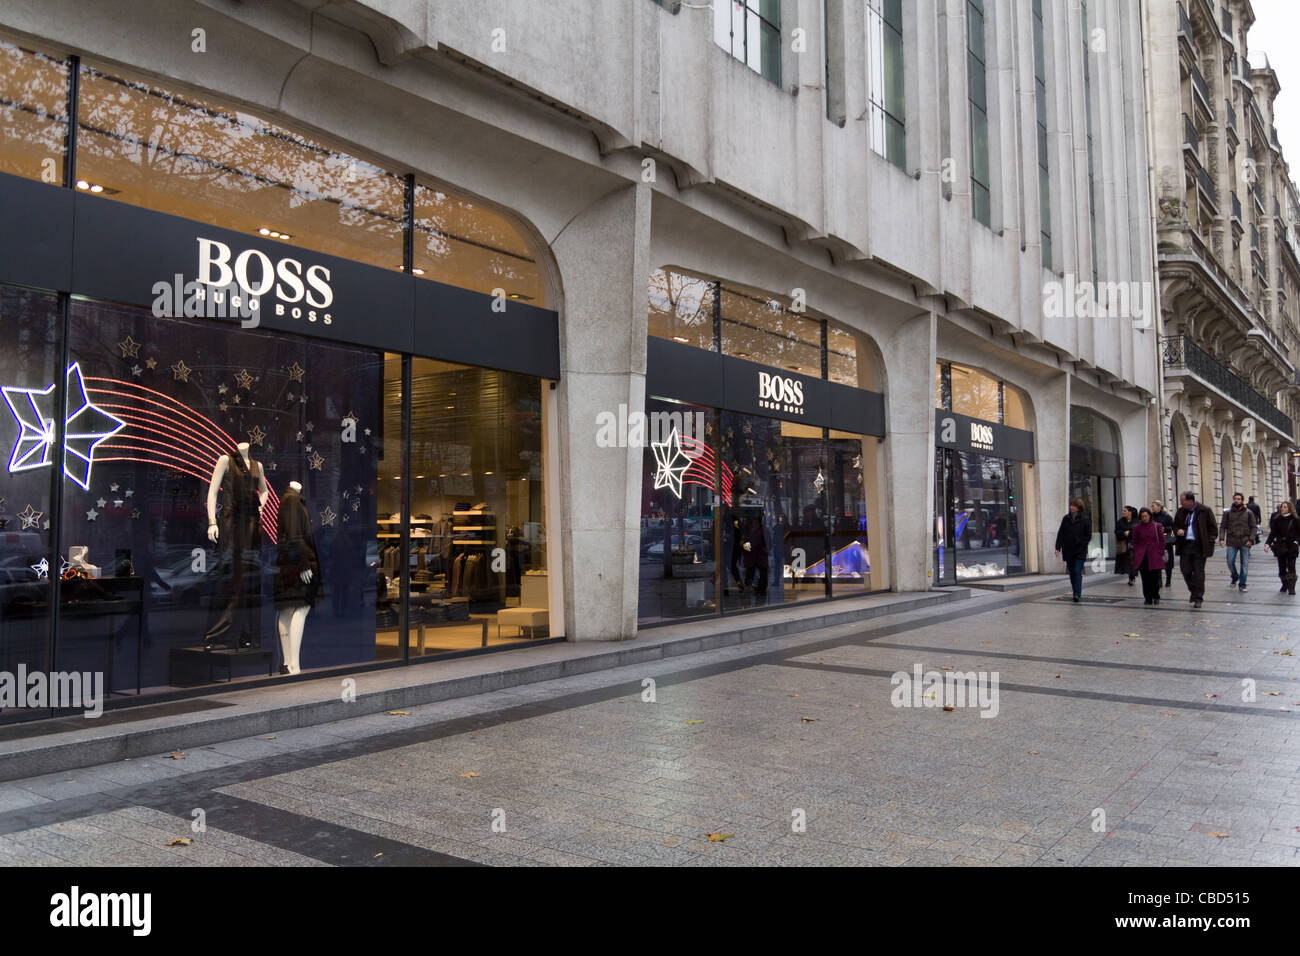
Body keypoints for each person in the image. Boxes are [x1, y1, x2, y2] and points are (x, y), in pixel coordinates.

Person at [1172, 491, 1218, 609]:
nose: (1181, 504)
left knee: (1198, 573)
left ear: (1190, 501)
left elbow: (1213, 528)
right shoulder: (1181, 511)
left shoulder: (1204, 510)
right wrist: (1178, 531)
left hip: (1199, 546)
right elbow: (1174, 526)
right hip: (1185, 545)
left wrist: (1210, 541)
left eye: (1183, 501)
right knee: (1185, 570)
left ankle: (1198, 598)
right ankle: (1193, 590)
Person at [1218, 492, 1258, 593]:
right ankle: (1235, 576)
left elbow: (1254, 527)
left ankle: (1242, 584)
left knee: (1244, 565)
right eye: (1235, 498)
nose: (1236, 500)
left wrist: (1251, 539)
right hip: (1232, 541)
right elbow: (1222, 526)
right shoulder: (1227, 513)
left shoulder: (1249, 512)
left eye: (1239, 499)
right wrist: (1221, 538)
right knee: (1230, 561)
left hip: (1245, 541)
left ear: (1242, 500)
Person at [1054, 498, 1091, 602]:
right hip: (1068, 550)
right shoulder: (1066, 518)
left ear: (1079, 508)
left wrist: (1082, 543)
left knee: (1077, 571)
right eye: (1071, 505)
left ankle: (1077, 594)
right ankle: (1075, 592)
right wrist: (1058, 547)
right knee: (1071, 572)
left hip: (1080, 550)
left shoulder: (1085, 519)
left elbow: (1088, 536)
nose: (1071, 507)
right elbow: (1061, 533)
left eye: (1074, 506)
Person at [1130, 507, 1166, 605]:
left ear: (1150, 516)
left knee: (1155, 579)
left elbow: (1162, 541)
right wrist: (1137, 552)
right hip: (1143, 557)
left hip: (1154, 556)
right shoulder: (1137, 528)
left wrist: (1160, 552)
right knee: (1145, 579)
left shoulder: (1157, 526)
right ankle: (1147, 597)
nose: (1144, 518)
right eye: (1142, 516)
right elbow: (1135, 542)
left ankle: (1156, 596)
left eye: (1146, 516)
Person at [1265, 500, 1300, 595]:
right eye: (1282, 507)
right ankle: (1285, 584)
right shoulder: (1277, 519)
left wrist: (1296, 542)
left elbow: (1299, 533)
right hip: (1281, 545)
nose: (1282, 508)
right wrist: (1267, 544)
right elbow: (1273, 533)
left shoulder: (1295, 519)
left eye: (1285, 507)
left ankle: (1291, 588)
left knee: (1291, 566)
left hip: (1292, 545)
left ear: (1289, 509)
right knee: (1282, 567)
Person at [1151, 500, 1175, 588]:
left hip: (1166, 543)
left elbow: (1173, 529)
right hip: (1155, 543)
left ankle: (1168, 579)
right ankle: (1159, 580)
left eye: (1153, 506)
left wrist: (1164, 529)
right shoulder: (1151, 517)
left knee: (1168, 562)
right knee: (1157, 562)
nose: (1152, 507)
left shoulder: (1167, 516)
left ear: (1159, 506)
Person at [1115, 506, 1137, 586]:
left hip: (1133, 544)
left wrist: (1130, 533)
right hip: (1124, 544)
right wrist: (1123, 533)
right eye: (1123, 511)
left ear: (1130, 512)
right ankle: (1130, 576)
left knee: (1132, 560)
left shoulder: (1136, 521)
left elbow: (1138, 531)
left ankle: (1132, 577)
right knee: (1127, 561)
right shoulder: (1120, 521)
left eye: (1125, 511)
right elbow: (1116, 532)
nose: (1123, 512)